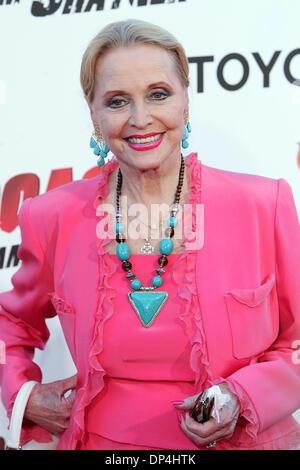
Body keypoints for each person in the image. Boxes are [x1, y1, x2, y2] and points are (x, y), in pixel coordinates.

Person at [0, 18, 300, 451]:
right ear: (94, 114)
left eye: (158, 94)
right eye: (118, 101)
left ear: (185, 102)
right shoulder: (52, 216)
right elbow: (11, 323)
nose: (141, 119)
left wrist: (244, 396)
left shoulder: (261, 205)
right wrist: (24, 394)